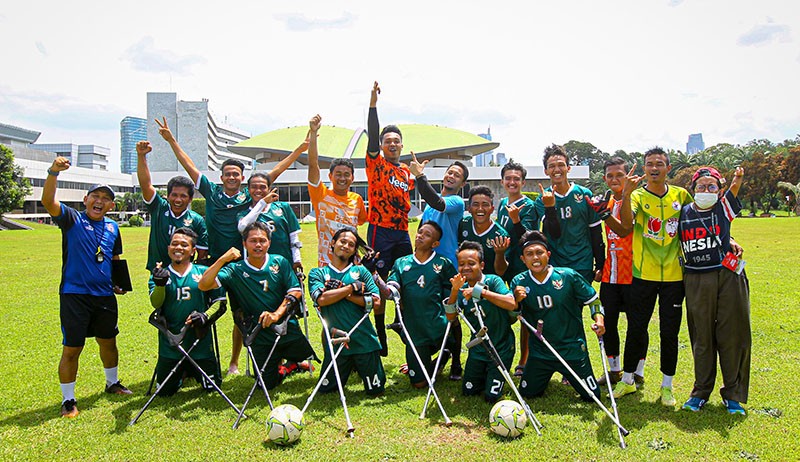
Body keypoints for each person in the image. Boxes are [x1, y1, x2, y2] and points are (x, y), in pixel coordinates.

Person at [157, 117, 309, 375]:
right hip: (217, 263)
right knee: (206, 312)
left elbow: (274, 173)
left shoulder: (248, 196)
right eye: (227, 173)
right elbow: (189, 165)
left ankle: (252, 360)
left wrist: (299, 150)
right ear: (222, 176)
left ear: (242, 178)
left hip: (244, 265)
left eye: (235, 174)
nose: (231, 177)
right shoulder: (212, 192)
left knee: (243, 315)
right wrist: (171, 140)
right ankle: (207, 363)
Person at [42, 157, 132, 418]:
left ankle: (111, 383)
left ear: (111, 205)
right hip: (75, 294)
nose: (100, 201)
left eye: (105, 198)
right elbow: (49, 202)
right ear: (86, 199)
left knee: (109, 342)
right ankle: (68, 400)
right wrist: (53, 173)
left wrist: (120, 283)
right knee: (72, 348)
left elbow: (114, 258)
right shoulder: (71, 219)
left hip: (104, 295)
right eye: (96, 196)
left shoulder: (113, 226)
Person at [612, 147, 693, 406]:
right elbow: (625, 226)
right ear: (644, 168)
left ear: (668, 168)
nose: (654, 168)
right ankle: (627, 381)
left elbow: (699, 222)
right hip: (643, 274)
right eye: (649, 164)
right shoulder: (636, 195)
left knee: (669, 332)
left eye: (659, 163)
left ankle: (667, 386)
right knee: (637, 328)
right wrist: (625, 194)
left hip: (674, 275)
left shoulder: (682, 195)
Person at [198, 222, 315, 390]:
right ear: (244, 243)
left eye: (262, 240)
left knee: (304, 354)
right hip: (258, 334)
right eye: (253, 241)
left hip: (285, 327)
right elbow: (203, 285)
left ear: (269, 243)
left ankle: (293, 362)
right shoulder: (234, 269)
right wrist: (223, 259)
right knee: (266, 385)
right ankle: (287, 368)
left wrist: (276, 314)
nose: (258, 245)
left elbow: (296, 291)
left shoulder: (279, 262)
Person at [678, 167, 750, 415]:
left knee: (733, 335)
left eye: (711, 187)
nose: (706, 191)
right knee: (702, 338)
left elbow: (734, 190)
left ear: (719, 191)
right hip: (696, 278)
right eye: (701, 186)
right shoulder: (683, 213)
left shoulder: (722, 208)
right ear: (693, 189)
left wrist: (737, 180)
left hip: (727, 276)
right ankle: (700, 392)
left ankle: (733, 395)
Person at [512, 231, 606, 401]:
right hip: (541, 352)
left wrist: (599, 320)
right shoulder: (519, 282)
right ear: (522, 259)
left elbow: (593, 300)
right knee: (527, 394)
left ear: (548, 255)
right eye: (529, 254)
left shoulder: (568, 276)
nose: (535, 258)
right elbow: (513, 316)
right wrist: (516, 302)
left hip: (571, 350)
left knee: (593, 397)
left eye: (539, 253)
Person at [496, 161, 560, 377]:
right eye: (508, 178)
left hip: (520, 267)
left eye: (516, 179)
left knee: (525, 315)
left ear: (523, 182)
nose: (512, 182)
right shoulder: (502, 202)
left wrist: (516, 221)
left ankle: (524, 360)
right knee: (502, 311)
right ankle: (501, 354)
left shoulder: (528, 206)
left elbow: (529, 239)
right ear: (502, 181)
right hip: (503, 265)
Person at [366, 82, 416, 352]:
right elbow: (373, 134)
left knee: (405, 275)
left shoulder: (406, 171)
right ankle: (379, 334)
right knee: (379, 279)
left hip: (402, 232)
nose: (392, 144)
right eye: (388, 141)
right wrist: (373, 105)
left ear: (401, 145)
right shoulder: (376, 162)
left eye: (397, 141)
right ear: (382, 146)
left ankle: (400, 321)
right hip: (379, 230)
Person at [409, 154, 468, 380]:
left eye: (457, 175)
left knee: (451, 314)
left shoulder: (456, 202)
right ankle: (433, 355)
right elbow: (422, 231)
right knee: (430, 311)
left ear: (462, 184)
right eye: (450, 172)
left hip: (447, 267)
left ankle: (455, 362)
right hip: (427, 265)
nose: (452, 176)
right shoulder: (428, 207)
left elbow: (438, 202)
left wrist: (419, 176)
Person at [308, 227, 386, 396]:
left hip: (364, 341)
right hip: (337, 342)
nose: (346, 246)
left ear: (353, 250)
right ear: (333, 243)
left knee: (376, 391)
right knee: (326, 391)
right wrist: (351, 288)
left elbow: (377, 302)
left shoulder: (361, 271)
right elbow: (321, 299)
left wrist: (345, 294)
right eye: (342, 241)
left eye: (351, 244)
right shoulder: (318, 273)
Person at [148, 228, 226, 396]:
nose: (179, 248)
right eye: (174, 244)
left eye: (184, 245)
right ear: (168, 248)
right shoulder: (159, 274)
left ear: (193, 251)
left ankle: (190, 370)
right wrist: (160, 284)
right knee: (164, 392)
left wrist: (204, 316)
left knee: (212, 388)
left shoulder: (203, 272)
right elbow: (156, 303)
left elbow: (220, 302)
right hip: (172, 343)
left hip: (200, 342)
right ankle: (182, 372)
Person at [386, 221, 458, 388]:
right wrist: (375, 277)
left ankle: (447, 352)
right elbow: (391, 292)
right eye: (420, 232)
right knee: (419, 383)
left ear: (435, 244)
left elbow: (453, 295)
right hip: (415, 331)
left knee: (454, 326)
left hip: (438, 328)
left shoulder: (443, 263)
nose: (420, 236)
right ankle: (435, 362)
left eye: (427, 235)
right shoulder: (401, 263)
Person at [445, 241, 517, 403]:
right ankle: (484, 373)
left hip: (500, 347)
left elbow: (511, 303)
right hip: (478, 349)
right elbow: (451, 317)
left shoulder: (493, 281)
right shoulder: (460, 289)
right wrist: (454, 290)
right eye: (461, 264)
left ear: (482, 265)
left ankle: (494, 374)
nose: (466, 268)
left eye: (471, 263)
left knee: (491, 397)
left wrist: (480, 292)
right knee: (468, 391)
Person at [593, 158, 639, 386]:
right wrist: (599, 266)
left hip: (635, 274)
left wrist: (605, 213)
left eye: (619, 175)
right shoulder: (606, 201)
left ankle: (637, 371)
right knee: (608, 324)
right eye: (610, 176)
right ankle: (613, 370)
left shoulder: (638, 199)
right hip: (611, 275)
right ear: (604, 179)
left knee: (636, 324)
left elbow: (624, 230)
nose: (614, 180)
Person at [533, 144, 605, 284]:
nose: (557, 169)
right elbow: (554, 232)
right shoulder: (542, 199)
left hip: (582, 262)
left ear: (568, 168)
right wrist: (549, 206)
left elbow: (596, 232)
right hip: (555, 263)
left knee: (578, 305)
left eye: (561, 165)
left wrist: (600, 265)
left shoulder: (584, 194)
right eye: (552, 166)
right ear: (546, 171)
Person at [136, 140, 208, 271]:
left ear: (191, 199)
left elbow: (202, 253)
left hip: (184, 274)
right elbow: (146, 185)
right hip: (158, 270)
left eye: (183, 196)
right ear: (168, 196)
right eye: (174, 195)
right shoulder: (159, 207)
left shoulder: (196, 220)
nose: (178, 200)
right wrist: (141, 156)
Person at [307, 114, 368, 267]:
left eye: (346, 174)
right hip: (326, 265)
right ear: (330, 176)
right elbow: (313, 165)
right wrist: (313, 133)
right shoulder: (320, 195)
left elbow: (359, 225)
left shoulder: (357, 200)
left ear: (352, 178)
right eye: (338, 174)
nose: (342, 178)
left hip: (352, 265)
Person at [457, 186, 511, 277]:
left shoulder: (500, 235)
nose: (480, 209)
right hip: (467, 280)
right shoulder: (464, 224)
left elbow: (500, 272)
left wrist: (499, 253)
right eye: (476, 204)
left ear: (492, 209)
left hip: (489, 284)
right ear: (469, 208)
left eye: (485, 204)